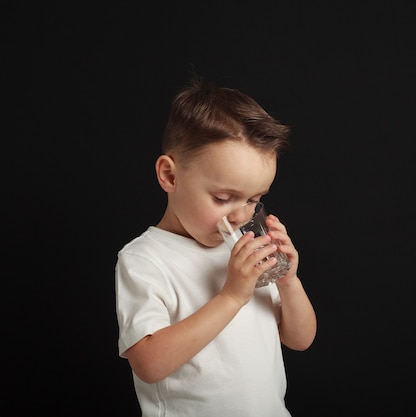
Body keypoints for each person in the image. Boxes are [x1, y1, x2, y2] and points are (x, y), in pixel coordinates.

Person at [115, 74, 317, 417]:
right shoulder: (145, 259)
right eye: (224, 198)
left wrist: (289, 282)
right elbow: (148, 364)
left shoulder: (246, 248)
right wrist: (231, 296)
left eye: (254, 200)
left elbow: (300, 339)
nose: (241, 215)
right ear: (170, 176)